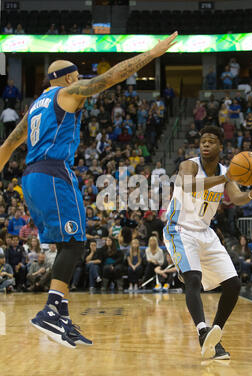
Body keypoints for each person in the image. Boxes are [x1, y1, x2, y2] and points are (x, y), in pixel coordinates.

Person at [0, 31, 178, 348]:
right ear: (67, 77)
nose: (80, 78)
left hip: (31, 177)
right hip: (53, 172)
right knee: (74, 243)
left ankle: (62, 317)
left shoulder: (35, 107)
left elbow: (8, 145)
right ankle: (51, 311)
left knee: (71, 242)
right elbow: (110, 78)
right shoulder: (66, 92)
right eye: (76, 74)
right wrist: (151, 54)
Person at [163, 125, 252, 360]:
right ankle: (202, 331)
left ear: (221, 146)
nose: (206, 144)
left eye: (211, 141)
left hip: (204, 232)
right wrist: (224, 177)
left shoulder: (226, 171)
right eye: (203, 141)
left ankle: (215, 337)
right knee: (193, 278)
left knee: (233, 285)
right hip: (179, 229)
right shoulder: (189, 165)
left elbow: (237, 197)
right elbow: (188, 186)